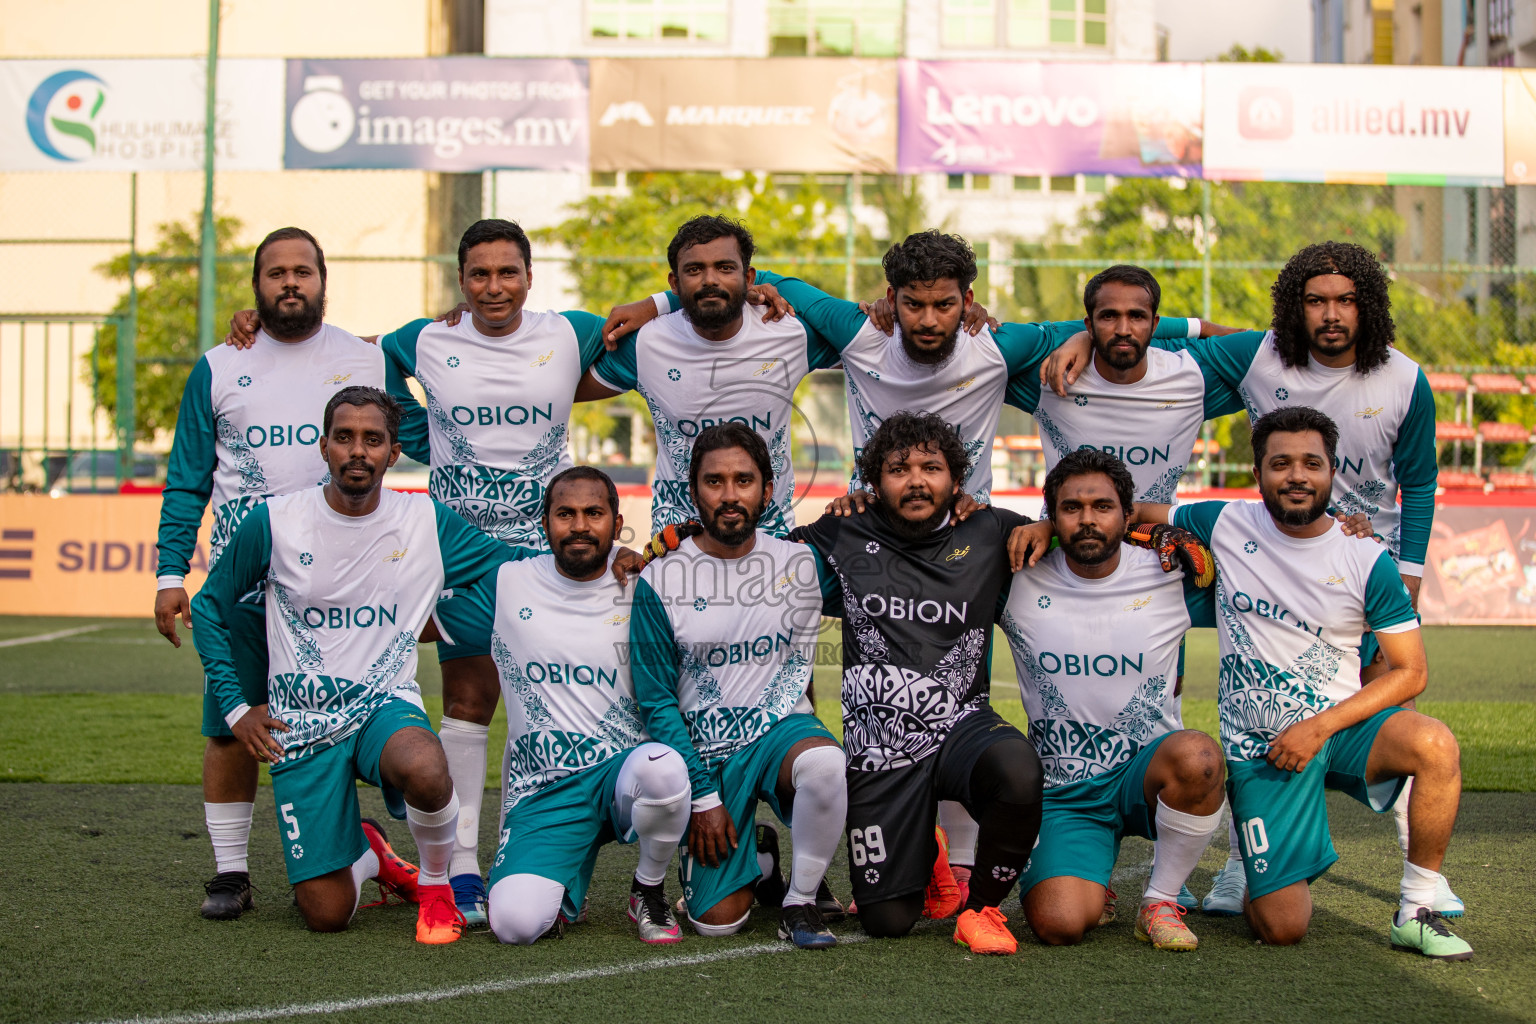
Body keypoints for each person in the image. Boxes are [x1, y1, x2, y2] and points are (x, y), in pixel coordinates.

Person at [1045, 241, 1455, 916]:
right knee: (1261, 701)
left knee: (1393, 715)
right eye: (1315, 301)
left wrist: (1408, 575)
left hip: (1360, 564)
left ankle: (1424, 888)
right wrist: (1085, 339)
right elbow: (1148, 340)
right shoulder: (1261, 355)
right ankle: (1247, 861)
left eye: (1345, 301)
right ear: (1295, 308)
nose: (1330, 315)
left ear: (1367, 307)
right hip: (1269, 550)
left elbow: (1420, 480)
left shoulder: (1405, 379)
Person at [190, 386, 525, 945]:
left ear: (393, 453)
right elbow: (209, 606)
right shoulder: (275, 521)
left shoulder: (425, 521)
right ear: (323, 446)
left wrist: (610, 558)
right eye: (344, 437)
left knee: (425, 766)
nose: (357, 451)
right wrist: (236, 708)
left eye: (373, 440)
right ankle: (369, 853)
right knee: (327, 915)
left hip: (381, 707)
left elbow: (516, 564)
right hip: (301, 725)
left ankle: (438, 886)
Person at [1138, 406, 1470, 959]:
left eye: (1311, 463)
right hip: (1262, 748)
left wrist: (1319, 727)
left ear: (1332, 472)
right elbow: (1133, 510)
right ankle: (1259, 859)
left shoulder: (1365, 555)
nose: (1297, 475)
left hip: (1336, 730)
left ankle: (1417, 908)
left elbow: (1412, 670)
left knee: (1434, 743)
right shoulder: (1225, 522)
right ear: (1259, 471)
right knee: (1282, 927)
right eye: (1281, 463)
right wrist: (1052, 522)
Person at [153, 227, 384, 920]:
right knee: (229, 725)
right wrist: (169, 574)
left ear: (323, 278)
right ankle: (229, 873)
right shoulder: (221, 365)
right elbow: (186, 480)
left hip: (336, 584)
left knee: (344, 723)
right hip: (244, 586)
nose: (290, 283)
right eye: (276, 273)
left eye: (303, 271)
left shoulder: (365, 357)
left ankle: (363, 848)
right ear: (256, 286)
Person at [789, 411, 1049, 955]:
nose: (915, 480)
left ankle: (981, 910)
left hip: (960, 724)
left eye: (932, 467)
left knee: (1019, 770)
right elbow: (762, 557)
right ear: (873, 482)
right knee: (887, 921)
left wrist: (1044, 524)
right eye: (898, 468)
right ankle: (924, 846)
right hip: (879, 744)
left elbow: (1073, 527)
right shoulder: (842, 530)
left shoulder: (992, 529)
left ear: (957, 480)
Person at [442, 466, 692, 946]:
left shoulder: (647, 584)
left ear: (617, 525)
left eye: (594, 513)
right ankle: (562, 879)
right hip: (546, 790)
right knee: (514, 926)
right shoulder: (506, 581)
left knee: (665, 769)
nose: (579, 526)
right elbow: (414, 612)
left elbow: (706, 549)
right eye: (565, 514)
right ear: (544, 524)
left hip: (623, 777)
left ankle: (648, 889)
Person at [629, 424, 849, 949]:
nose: (730, 495)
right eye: (715, 481)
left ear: (767, 491)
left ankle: (800, 901)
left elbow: (890, 566)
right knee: (717, 921)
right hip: (704, 754)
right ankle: (760, 855)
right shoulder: (660, 577)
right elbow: (657, 702)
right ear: (693, 490)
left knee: (827, 765)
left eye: (744, 480)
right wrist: (702, 798)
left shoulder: (803, 563)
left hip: (779, 734)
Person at [998, 449, 1224, 951]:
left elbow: (1265, 561)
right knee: (1059, 924)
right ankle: (1091, 880)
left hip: (1148, 775)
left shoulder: (1172, 572)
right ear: (1051, 516)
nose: (1087, 520)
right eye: (1071, 508)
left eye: (1102, 507)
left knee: (1200, 757)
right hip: (1065, 786)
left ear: (1128, 514)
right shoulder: (1016, 575)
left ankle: (1160, 899)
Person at [582, 216, 852, 536]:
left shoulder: (789, 333)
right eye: (694, 270)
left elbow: (870, 353)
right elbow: (556, 391)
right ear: (674, 282)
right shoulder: (645, 343)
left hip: (769, 539)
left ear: (749, 277)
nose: (710, 280)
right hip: (677, 543)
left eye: (725, 267)